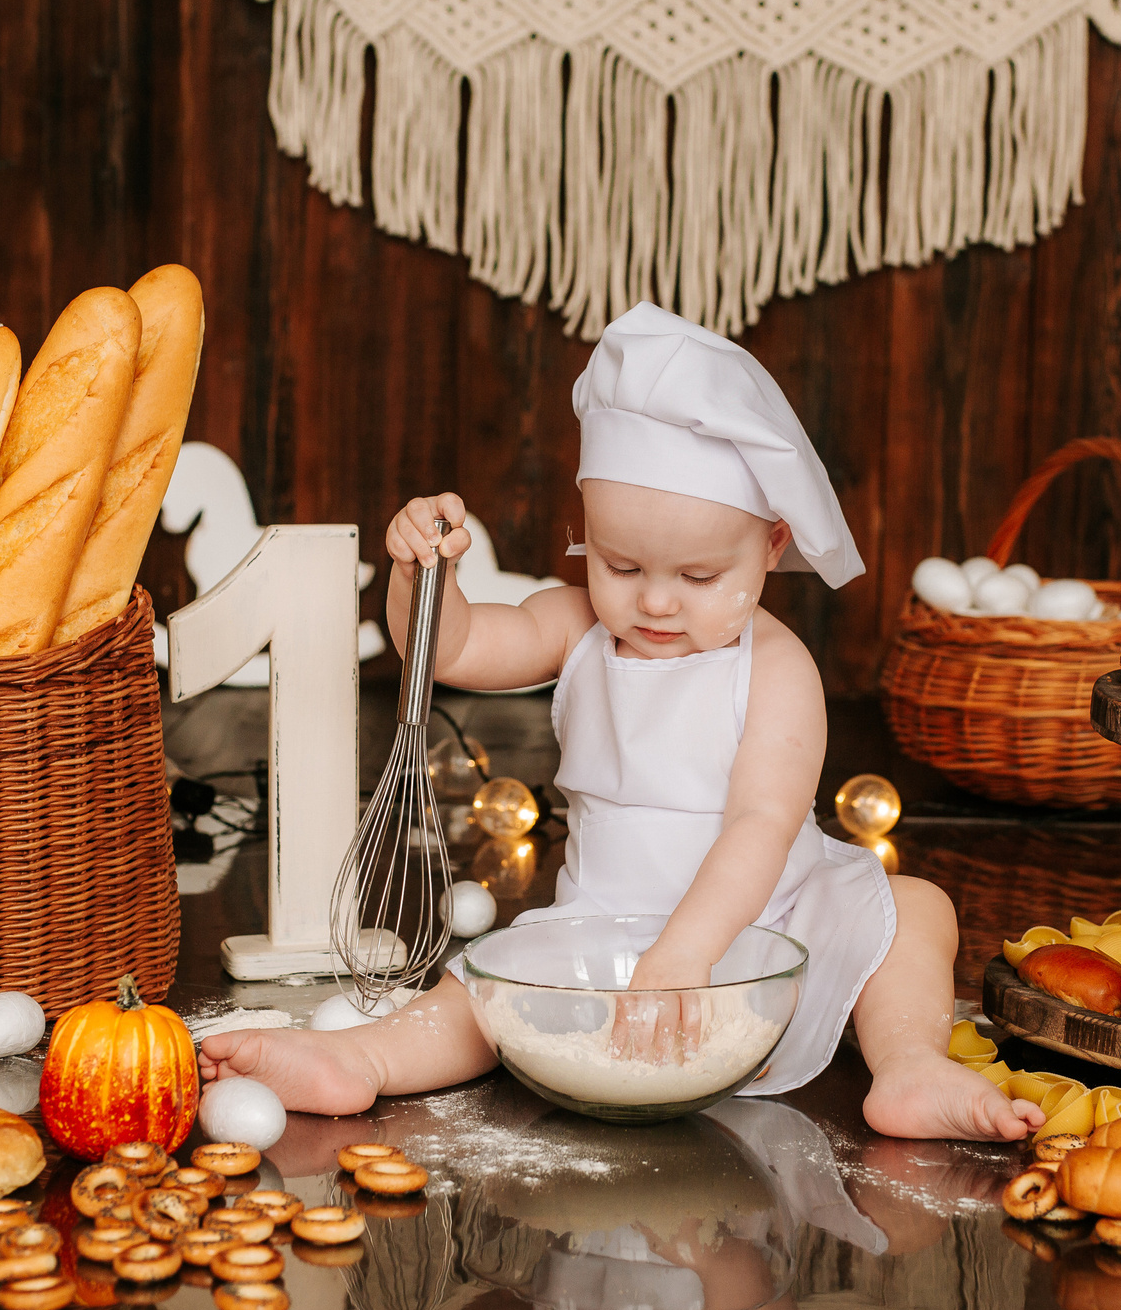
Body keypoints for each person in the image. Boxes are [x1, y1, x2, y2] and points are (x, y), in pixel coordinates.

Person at [200, 303, 1039, 1142]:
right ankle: (367, 1061)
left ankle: (907, 1064)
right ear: (588, 535)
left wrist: (686, 954)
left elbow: (762, 823)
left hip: (764, 929)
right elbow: (454, 648)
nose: (656, 600)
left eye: (701, 574)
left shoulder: (777, 668)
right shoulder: (576, 629)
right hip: (600, 930)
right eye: (620, 563)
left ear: (773, 544)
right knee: (484, 987)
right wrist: (421, 573)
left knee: (915, 908)